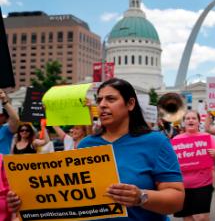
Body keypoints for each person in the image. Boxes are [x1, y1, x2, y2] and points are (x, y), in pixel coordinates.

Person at [7, 78, 185, 220]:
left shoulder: (155, 142)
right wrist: (26, 201)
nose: (102, 105)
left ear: (130, 104)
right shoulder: (86, 145)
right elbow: (70, 194)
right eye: (99, 100)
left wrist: (141, 197)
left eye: (111, 99)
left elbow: (177, 200)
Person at [172, 110, 215, 220]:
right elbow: (171, 162)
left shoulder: (207, 137)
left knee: (202, 217)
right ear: (183, 122)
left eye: (194, 118)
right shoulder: (176, 140)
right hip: (183, 185)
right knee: (187, 217)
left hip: (203, 183)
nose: (191, 120)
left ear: (199, 122)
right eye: (188, 118)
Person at [0, 89, 19, 155]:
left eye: (1, 115)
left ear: (6, 118)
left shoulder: (6, 129)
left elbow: (15, 119)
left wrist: (4, 101)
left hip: (4, 163)